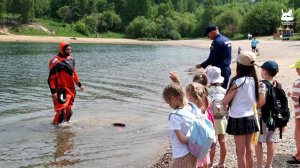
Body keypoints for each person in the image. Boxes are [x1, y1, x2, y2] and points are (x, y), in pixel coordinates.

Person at [169, 72, 214, 168]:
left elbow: (181, 100)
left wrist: (177, 82)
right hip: (203, 146)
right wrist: (177, 82)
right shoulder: (202, 109)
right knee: (203, 165)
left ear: (189, 97)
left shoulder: (191, 110)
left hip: (195, 148)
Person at [223, 51, 259, 168]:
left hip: (238, 117)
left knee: (240, 152)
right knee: (249, 150)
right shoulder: (255, 81)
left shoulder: (237, 81)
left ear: (239, 65)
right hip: (250, 116)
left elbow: (225, 102)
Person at [48, 42, 85, 125]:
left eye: (70, 49)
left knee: (69, 112)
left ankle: (64, 129)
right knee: (61, 112)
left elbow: (74, 73)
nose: (69, 51)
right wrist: (53, 92)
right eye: (67, 49)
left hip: (71, 89)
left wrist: (79, 85)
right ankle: (55, 128)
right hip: (61, 90)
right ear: (62, 50)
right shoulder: (56, 62)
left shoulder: (71, 59)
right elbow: (51, 79)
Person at [163, 83, 197, 168]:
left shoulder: (174, 116)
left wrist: (188, 136)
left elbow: (183, 140)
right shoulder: (189, 107)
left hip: (181, 155)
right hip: (192, 152)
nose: (169, 105)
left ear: (173, 99)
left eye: (168, 103)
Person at [255, 61, 280, 168]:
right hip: (274, 117)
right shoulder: (277, 84)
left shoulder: (262, 84)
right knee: (270, 141)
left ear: (265, 72)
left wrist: (254, 108)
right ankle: (269, 165)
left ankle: (260, 166)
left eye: (262, 69)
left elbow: (262, 101)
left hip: (263, 118)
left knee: (258, 142)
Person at [195, 25, 232, 89]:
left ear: (212, 32)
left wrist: (201, 65)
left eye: (208, 34)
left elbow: (212, 58)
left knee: (217, 91)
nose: (208, 37)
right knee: (223, 90)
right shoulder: (226, 39)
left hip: (219, 71)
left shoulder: (216, 42)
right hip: (227, 69)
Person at [206, 66, 227, 168]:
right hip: (222, 119)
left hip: (210, 119)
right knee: (222, 141)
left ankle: (209, 164)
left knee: (212, 143)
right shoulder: (224, 90)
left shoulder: (207, 91)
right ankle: (221, 163)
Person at [287, 59, 300, 164]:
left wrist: (290, 94)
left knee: (298, 134)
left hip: (299, 114)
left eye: (297, 68)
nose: (296, 70)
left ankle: (299, 156)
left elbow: (296, 98)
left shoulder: (298, 83)